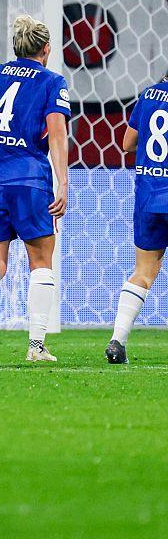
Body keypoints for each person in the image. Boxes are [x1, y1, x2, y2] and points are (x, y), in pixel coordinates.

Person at [0, 14, 70, 362]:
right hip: (29, 181)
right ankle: (36, 346)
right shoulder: (53, 82)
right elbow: (57, 133)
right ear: (46, 48)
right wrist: (62, 180)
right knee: (41, 262)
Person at [105, 75, 168, 364]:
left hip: (148, 196)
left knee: (142, 272)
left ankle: (117, 340)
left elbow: (128, 143)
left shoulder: (150, 95)